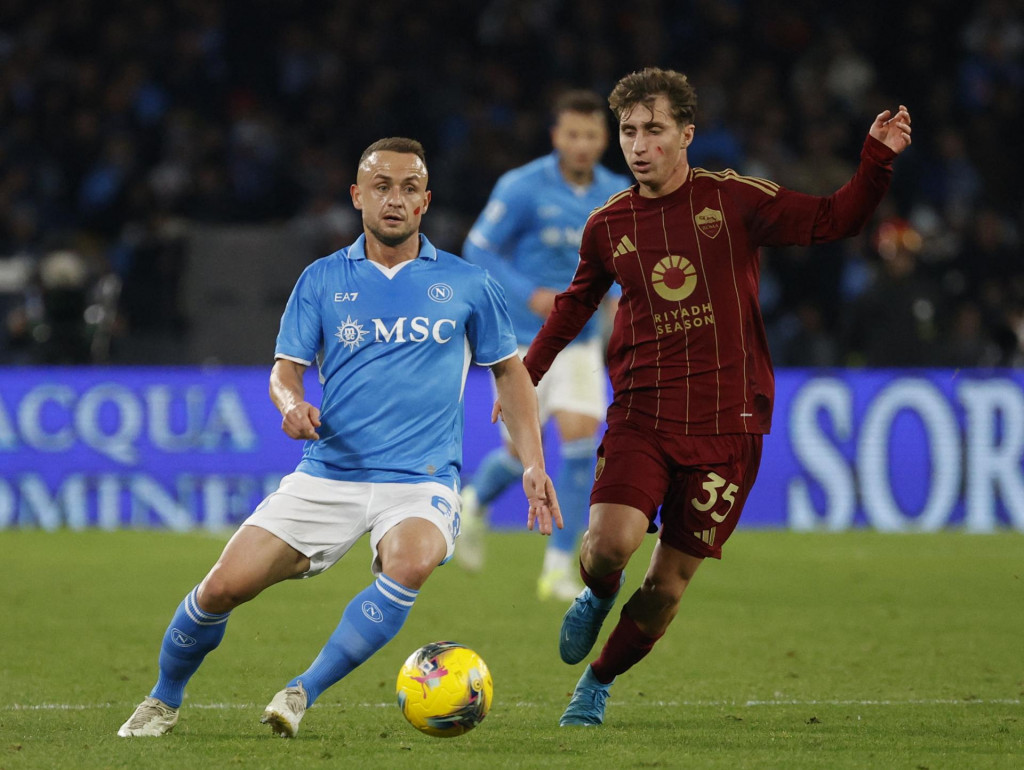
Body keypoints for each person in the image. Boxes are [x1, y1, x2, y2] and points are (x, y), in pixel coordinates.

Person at [117, 137, 561, 739]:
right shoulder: (322, 279)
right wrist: (291, 403)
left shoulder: (468, 284)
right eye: (382, 186)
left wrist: (531, 462)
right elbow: (284, 370)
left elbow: (510, 372)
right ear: (357, 196)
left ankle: (302, 691)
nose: (395, 199)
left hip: (422, 478)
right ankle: (162, 699)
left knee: (410, 562)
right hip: (330, 472)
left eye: (409, 188)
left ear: (426, 201)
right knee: (221, 587)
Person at [518, 67, 912, 726]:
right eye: (629, 132)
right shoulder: (608, 225)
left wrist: (876, 159)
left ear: (687, 134)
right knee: (610, 545)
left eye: (654, 130)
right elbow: (573, 304)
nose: (639, 145)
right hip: (644, 413)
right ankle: (594, 592)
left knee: (666, 585)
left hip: (729, 426)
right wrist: (525, 374)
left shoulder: (733, 200)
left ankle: (599, 679)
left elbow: (836, 218)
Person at [459, 90, 631, 601]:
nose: (582, 144)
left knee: (581, 445)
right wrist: (529, 293)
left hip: (579, 342)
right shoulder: (522, 187)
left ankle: (557, 568)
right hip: (520, 340)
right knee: (518, 454)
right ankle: (473, 502)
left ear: (605, 139)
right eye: (572, 134)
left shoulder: (617, 191)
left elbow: (622, 261)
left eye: (592, 135)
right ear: (556, 136)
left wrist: (620, 309)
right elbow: (478, 247)